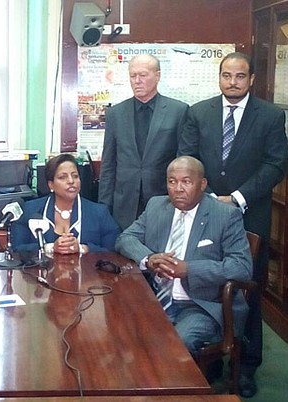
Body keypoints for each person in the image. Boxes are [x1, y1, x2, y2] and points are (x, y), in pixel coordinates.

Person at [178, 52, 288, 397]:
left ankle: (246, 365)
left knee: (246, 288)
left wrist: (237, 197)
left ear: (251, 79)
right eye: (226, 75)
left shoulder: (270, 116)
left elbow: (276, 164)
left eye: (240, 76)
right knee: (205, 280)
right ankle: (209, 358)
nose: (232, 82)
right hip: (204, 211)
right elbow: (189, 157)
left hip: (249, 212)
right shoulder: (199, 112)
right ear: (219, 77)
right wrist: (205, 194)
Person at [116, 157, 252, 366]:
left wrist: (189, 269)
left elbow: (241, 267)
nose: (178, 189)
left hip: (200, 304)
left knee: (175, 343)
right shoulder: (156, 206)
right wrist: (149, 258)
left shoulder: (225, 215)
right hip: (155, 297)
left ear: (202, 184)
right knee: (118, 329)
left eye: (186, 182)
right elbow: (126, 238)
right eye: (172, 181)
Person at [99, 54, 189, 230]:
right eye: (133, 76)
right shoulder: (116, 113)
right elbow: (108, 163)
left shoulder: (178, 111)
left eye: (143, 75)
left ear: (158, 75)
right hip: (124, 203)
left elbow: (183, 161)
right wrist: (104, 206)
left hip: (163, 200)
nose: (137, 81)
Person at [12, 153, 120, 254]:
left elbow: (114, 250)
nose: (71, 181)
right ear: (51, 185)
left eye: (75, 176)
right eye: (63, 177)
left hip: (86, 273)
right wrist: (49, 248)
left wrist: (83, 248)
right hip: (41, 273)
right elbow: (17, 249)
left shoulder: (99, 213)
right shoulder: (30, 210)